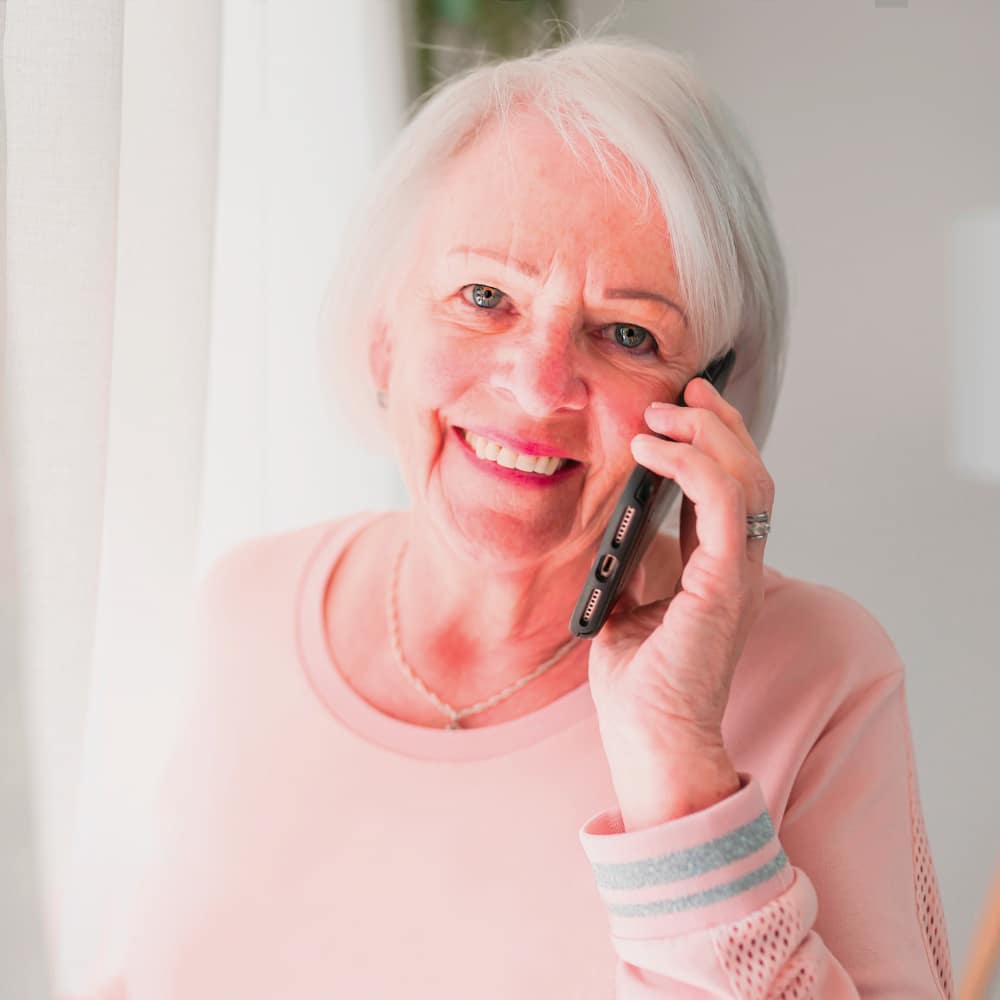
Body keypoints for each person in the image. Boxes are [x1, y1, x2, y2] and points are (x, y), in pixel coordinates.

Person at [78, 36, 954, 999]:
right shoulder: (243, 602)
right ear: (384, 336)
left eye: (628, 333)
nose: (538, 390)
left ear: (711, 403)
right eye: (484, 296)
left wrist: (677, 761)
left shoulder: (822, 672)